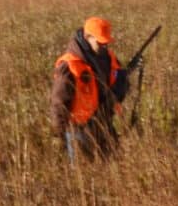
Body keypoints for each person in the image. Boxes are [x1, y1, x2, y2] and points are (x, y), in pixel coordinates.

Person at [51, 16, 137, 162]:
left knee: (113, 167)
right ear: (87, 37)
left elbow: (116, 86)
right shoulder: (69, 66)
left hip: (104, 123)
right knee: (84, 175)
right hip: (79, 131)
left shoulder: (108, 57)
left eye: (106, 43)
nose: (104, 46)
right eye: (100, 42)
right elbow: (59, 103)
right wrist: (59, 135)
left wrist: (126, 75)